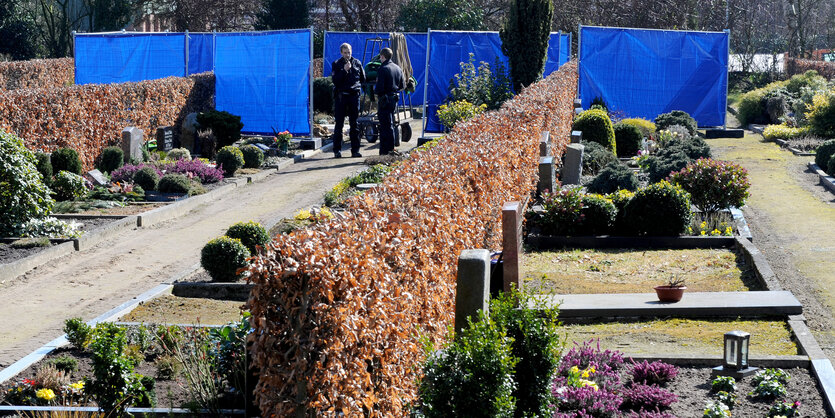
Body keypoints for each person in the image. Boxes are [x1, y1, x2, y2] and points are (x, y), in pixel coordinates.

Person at [331, 43, 365, 158]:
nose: (347, 55)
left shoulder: (357, 63)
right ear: (341, 53)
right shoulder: (336, 64)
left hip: (354, 97)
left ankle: (355, 150)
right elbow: (335, 81)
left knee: (354, 124)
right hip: (341, 97)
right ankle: (337, 150)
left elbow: (362, 79)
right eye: (345, 53)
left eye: (349, 52)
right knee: (339, 125)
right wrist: (344, 70)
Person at [374, 47, 405, 156]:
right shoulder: (397, 68)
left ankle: (385, 151)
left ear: (382, 56)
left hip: (384, 100)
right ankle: (391, 149)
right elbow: (402, 86)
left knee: (385, 126)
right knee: (390, 123)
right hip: (394, 99)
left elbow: (379, 88)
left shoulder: (383, 69)